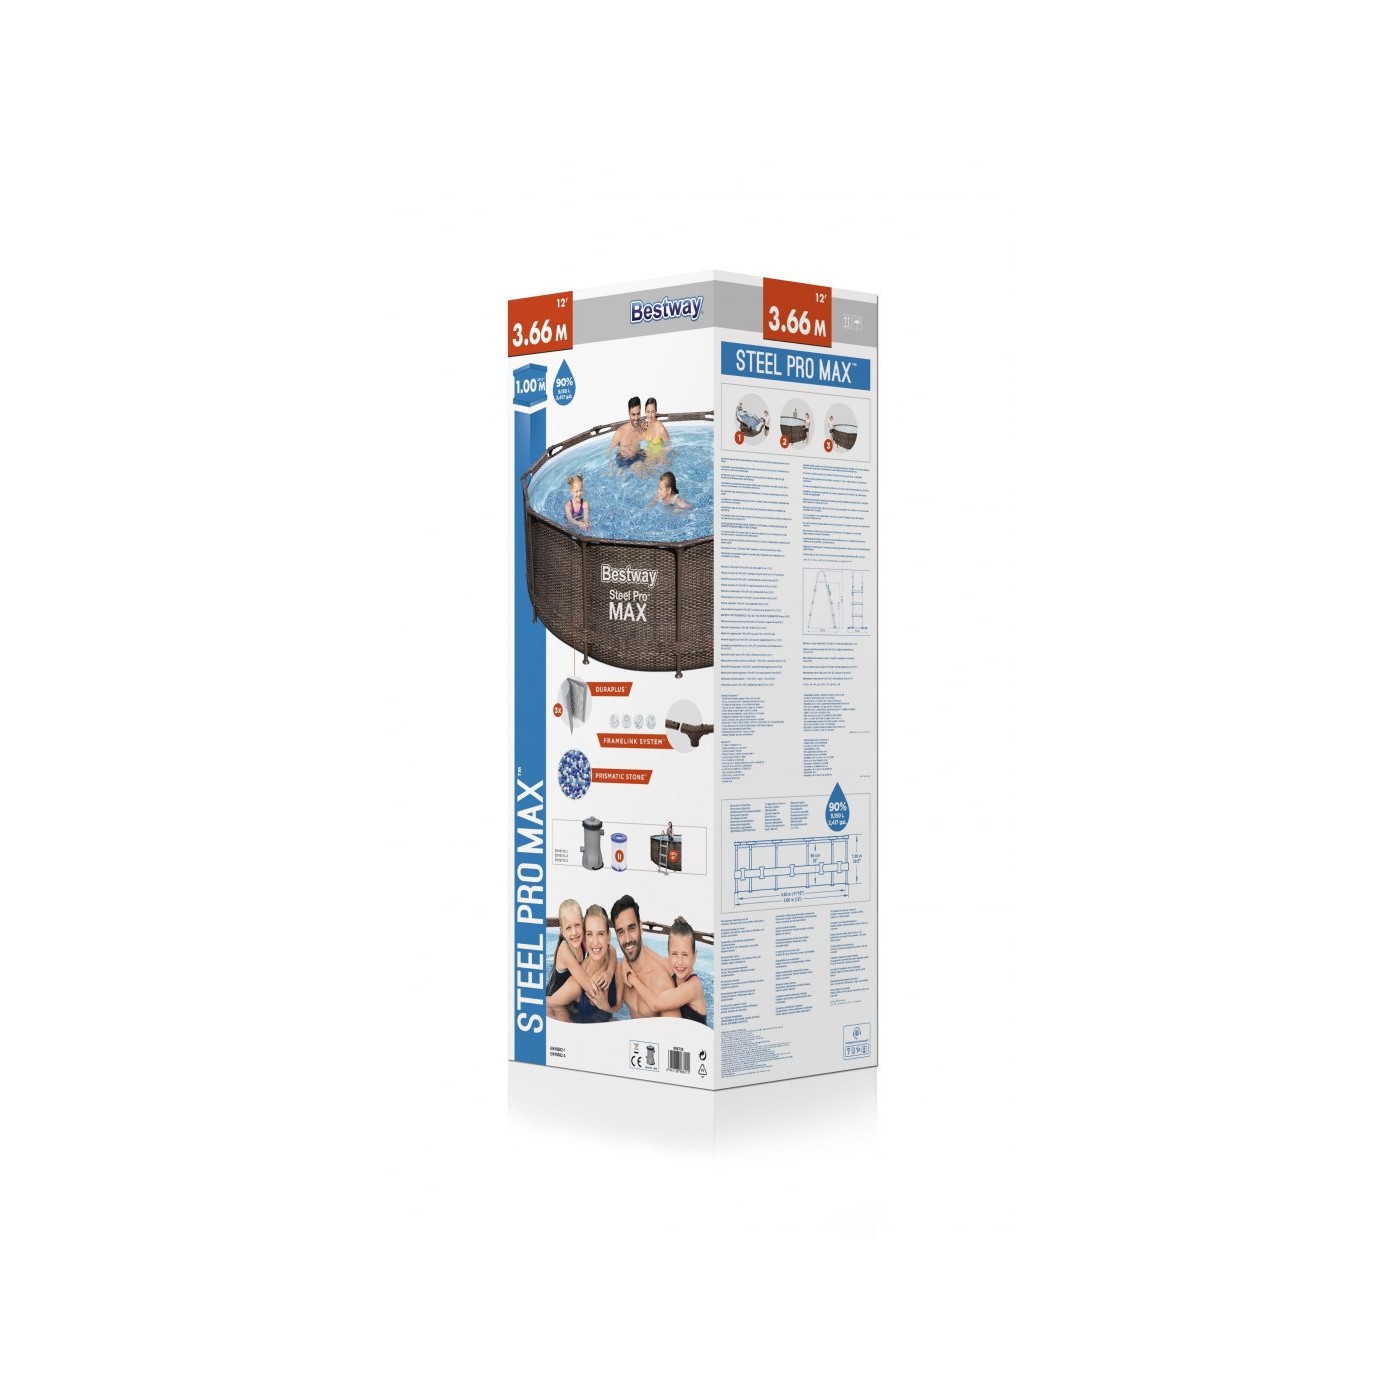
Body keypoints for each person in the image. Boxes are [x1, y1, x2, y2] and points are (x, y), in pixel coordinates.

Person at [624, 916, 707, 1025]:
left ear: (694, 956)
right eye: (674, 954)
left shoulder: (693, 987)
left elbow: (655, 1004)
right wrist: (625, 963)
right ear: (668, 953)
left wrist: (631, 978)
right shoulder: (672, 966)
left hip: (695, 1035)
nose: (679, 962)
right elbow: (643, 950)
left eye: (685, 955)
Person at [610, 894, 680, 1019]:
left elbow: (676, 1030)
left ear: (640, 927)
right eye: (621, 932)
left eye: (631, 928)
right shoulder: (620, 971)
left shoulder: (661, 983)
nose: (627, 939)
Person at [553, 904, 622, 1023]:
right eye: (590, 934)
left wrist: (609, 972)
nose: (595, 942)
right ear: (585, 938)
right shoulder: (574, 985)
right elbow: (548, 1004)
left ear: (608, 936)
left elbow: (618, 1006)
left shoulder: (615, 965)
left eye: (600, 933)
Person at [609, 396, 646, 464]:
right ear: (629, 413)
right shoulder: (621, 432)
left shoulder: (643, 430)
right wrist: (612, 463)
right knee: (638, 466)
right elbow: (609, 452)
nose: (636, 418)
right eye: (633, 414)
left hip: (638, 456)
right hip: (624, 461)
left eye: (638, 414)